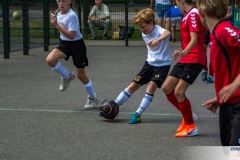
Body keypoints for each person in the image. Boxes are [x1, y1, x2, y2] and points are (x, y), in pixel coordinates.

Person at [114, 8, 171, 124]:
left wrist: (158, 40)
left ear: (151, 23)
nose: (142, 30)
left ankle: (138, 114)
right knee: (133, 85)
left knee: (151, 86)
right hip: (149, 64)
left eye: (143, 26)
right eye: (140, 27)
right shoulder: (144, 33)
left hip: (162, 65)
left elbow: (167, 32)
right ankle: (113, 105)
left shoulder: (159, 30)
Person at [197, 0, 240, 146]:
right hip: (229, 103)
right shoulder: (215, 34)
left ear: (202, 12)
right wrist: (220, 97)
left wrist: (235, 85)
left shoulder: (224, 30)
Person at [161, 0, 206, 137]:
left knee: (179, 92)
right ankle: (188, 115)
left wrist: (184, 52)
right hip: (186, 58)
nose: (176, 6)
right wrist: (183, 54)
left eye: (176, 3)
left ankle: (191, 126)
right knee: (167, 88)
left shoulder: (193, 14)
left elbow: (195, 38)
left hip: (194, 58)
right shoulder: (187, 15)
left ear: (181, 1)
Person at [46, 0, 99, 110]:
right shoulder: (57, 14)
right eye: (59, 1)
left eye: (63, 1)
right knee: (50, 59)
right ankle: (67, 75)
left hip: (77, 45)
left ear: (69, 1)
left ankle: (93, 97)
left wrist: (56, 25)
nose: (61, 3)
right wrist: (56, 23)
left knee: (81, 76)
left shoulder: (72, 16)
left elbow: (71, 35)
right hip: (65, 44)